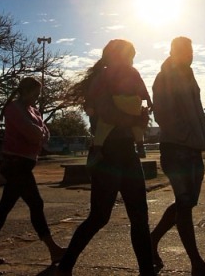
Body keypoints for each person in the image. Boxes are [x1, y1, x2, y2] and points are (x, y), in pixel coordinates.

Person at [56, 39, 154, 276]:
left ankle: (146, 270)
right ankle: (66, 265)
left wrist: (143, 114)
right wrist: (135, 120)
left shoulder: (131, 75)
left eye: (132, 56)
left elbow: (142, 100)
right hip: (106, 155)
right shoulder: (101, 78)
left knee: (140, 217)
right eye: (126, 56)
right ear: (112, 57)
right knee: (100, 216)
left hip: (127, 154)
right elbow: (106, 113)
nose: (130, 61)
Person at [150, 37, 205, 276]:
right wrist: (186, 134)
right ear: (173, 51)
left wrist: (202, 138)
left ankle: (151, 241)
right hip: (175, 148)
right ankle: (196, 264)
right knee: (184, 205)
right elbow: (162, 113)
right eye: (184, 50)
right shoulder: (164, 78)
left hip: (192, 148)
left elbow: (197, 112)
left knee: (186, 203)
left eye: (191, 50)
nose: (189, 54)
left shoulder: (189, 76)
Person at [0, 77, 65, 265]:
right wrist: (38, 134)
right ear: (26, 91)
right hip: (15, 164)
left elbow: (44, 134)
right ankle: (53, 249)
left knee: (5, 207)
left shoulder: (33, 110)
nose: (37, 97)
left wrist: (38, 134)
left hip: (24, 164)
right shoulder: (14, 109)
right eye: (35, 93)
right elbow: (33, 133)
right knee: (36, 204)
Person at [88, 41, 152, 158]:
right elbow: (141, 87)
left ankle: (98, 148)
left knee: (104, 126)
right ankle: (140, 145)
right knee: (136, 125)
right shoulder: (131, 71)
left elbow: (93, 92)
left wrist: (90, 105)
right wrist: (148, 99)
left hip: (118, 103)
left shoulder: (104, 74)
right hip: (132, 103)